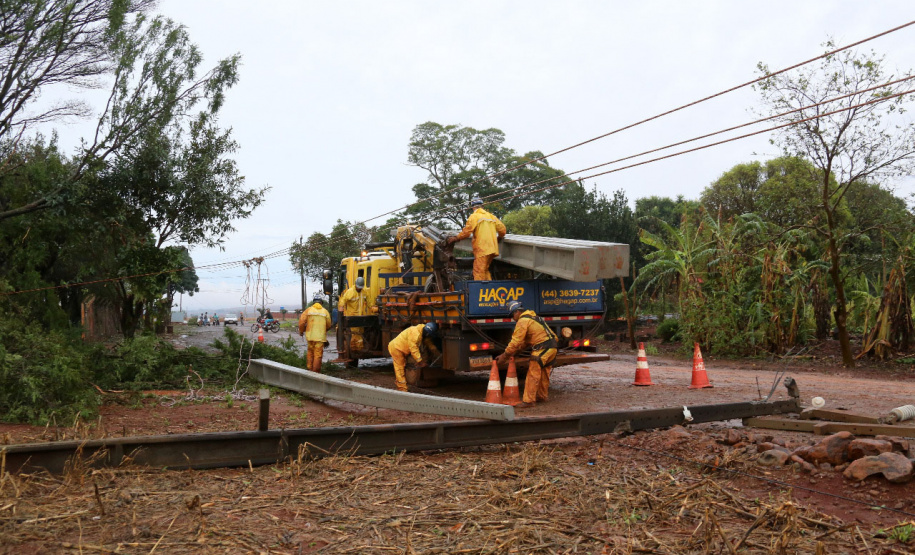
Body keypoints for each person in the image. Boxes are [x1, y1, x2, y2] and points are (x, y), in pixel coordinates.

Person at [495, 301, 558, 408]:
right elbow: (526, 342)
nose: (513, 318)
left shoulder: (523, 321)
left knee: (533, 374)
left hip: (541, 348)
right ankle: (542, 396)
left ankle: (529, 401)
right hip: (552, 348)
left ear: (517, 312)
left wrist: (504, 356)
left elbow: (515, 342)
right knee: (544, 373)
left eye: (512, 315)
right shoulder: (534, 318)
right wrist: (515, 353)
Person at [445, 196, 506, 280]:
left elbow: (467, 232)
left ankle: (480, 290)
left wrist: (456, 238)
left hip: (482, 249)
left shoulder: (474, 216)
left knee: (478, 271)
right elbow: (503, 230)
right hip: (493, 248)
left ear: (473, 207)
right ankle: (488, 289)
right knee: (484, 270)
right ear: (482, 206)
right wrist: (499, 238)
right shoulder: (491, 216)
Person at [387, 322, 440, 392]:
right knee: (400, 369)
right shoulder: (415, 334)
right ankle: (402, 389)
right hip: (396, 349)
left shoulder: (422, 330)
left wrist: (435, 351)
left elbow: (427, 341)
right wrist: (420, 361)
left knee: (402, 367)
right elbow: (413, 349)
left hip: (402, 349)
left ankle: (403, 385)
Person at [299, 296, 332, 372]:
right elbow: (329, 325)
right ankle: (316, 373)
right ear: (321, 303)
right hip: (320, 338)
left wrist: (301, 331)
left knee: (310, 352)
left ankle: (309, 369)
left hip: (310, 336)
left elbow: (302, 322)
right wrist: (324, 330)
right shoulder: (325, 311)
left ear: (314, 302)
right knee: (318, 355)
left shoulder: (308, 310)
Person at [338, 276, 368, 352]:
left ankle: (359, 348)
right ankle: (355, 349)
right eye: (358, 287)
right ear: (355, 285)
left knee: (360, 332)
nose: (359, 288)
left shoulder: (364, 292)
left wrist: (373, 308)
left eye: (360, 287)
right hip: (352, 316)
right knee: (355, 333)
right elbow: (343, 300)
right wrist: (341, 308)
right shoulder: (350, 292)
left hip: (360, 316)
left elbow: (369, 301)